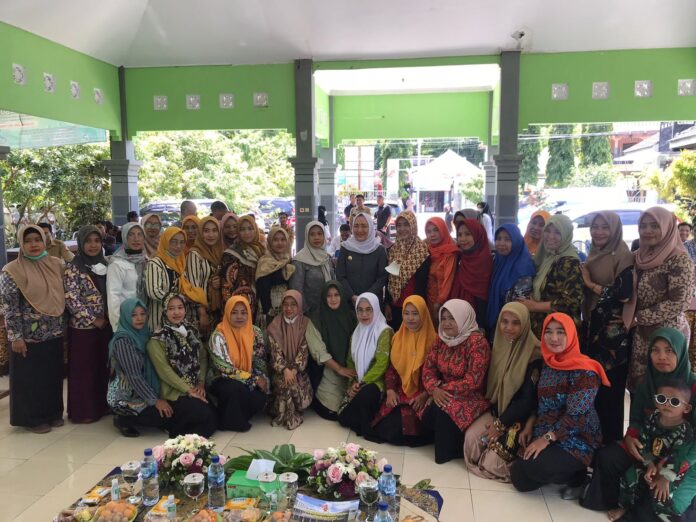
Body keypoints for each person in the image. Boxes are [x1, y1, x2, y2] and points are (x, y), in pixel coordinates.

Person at [582, 328, 696, 519]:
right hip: (649, 446)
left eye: (669, 350)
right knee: (608, 457)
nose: (661, 356)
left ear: (680, 351)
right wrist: (631, 437)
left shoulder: (693, 386)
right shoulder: (646, 382)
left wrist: (669, 470)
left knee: (663, 505)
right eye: (655, 350)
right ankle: (614, 501)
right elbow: (636, 418)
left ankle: (634, 509)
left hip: (683, 455)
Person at [510, 313, 609, 497]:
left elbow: (576, 416)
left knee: (533, 466)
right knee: (519, 479)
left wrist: (546, 439)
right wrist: (530, 424)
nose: (553, 338)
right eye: (548, 332)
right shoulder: (548, 363)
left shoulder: (586, 371)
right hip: (546, 429)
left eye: (560, 332)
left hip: (577, 437)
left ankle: (579, 477)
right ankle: (553, 469)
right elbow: (540, 402)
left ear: (571, 335)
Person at [464, 302, 541, 482]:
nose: (508, 328)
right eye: (504, 322)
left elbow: (526, 401)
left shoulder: (535, 353)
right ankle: (489, 451)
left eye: (515, 323)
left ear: (525, 324)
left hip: (520, 420)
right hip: (497, 410)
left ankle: (519, 466)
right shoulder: (498, 345)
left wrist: (500, 425)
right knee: (471, 442)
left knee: (491, 465)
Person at [0, 225, 65, 433]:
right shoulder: (12, 270)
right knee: (31, 379)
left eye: (37, 239)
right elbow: (9, 307)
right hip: (28, 336)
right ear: (21, 243)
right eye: (28, 241)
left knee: (52, 375)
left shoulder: (55, 264)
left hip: (54, 331)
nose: (34, 244)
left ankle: (53, 413)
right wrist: (16, 337)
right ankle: (32, 419)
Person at [624, 207, 695, 387]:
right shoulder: (638, 256)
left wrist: (638, 318)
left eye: (655, 226)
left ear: (667, 227)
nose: (647, 230)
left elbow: (680, 302)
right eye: (643, 226)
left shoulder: (679, 259)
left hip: (666, 336)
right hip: (639, 334)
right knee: (641, 388)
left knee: (664, 389)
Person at [579, 211, 634, 442]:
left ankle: (611, 446)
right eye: (595, 226)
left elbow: (624, 293)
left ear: (615, 230)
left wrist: (590, 284)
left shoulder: (623, 255)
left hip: (613, 337)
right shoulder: (595, 253)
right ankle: (593, 444)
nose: (598, 232)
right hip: (594, 330)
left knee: (610, 393)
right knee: (595, 391)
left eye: (605, 227)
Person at [610, 379, 693, 522]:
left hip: (671, 470)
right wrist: (649, 464)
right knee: (630, 475)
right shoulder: (652, 418)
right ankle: (626, 507)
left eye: (674, 402)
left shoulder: (686, 431)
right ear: (656, 401)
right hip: (650, 461)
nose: (667, 404)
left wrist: (665, 477)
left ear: (686, 408)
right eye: (662, 399)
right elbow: (643, 443)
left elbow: (678, 457)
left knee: (661, 492)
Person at [421, 299, 491, 463]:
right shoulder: (441, 339)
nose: (446, 323)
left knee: (443, 409)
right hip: (442, 391)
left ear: (463, 318)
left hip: (470, 395)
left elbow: (473, 381)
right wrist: (434, 389)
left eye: (452, 318)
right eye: (443, 318)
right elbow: (428, 368)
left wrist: (442, 389)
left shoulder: (477, 343)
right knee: (429, 412)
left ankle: (449, 451)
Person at [146, 294, 217, 437]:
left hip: (195, 386)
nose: (176, 312)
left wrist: (200, 383)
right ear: (165, 311)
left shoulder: (191, 331)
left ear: (185, 309)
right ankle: (172, 428)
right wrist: (189, 390)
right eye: (171, 308)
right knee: (203, 415)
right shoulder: (157, 339)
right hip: (174, 392)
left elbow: (202, 357)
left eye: (180, 307)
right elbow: (164, 372)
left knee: (214, 413)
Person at [370, 295, 437, 446]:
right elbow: (392, 368)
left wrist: (425, 394)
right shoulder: (398, 337)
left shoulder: (434, 341)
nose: (410, 318)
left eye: (415, 313)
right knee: (386, 427)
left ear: (423, 314)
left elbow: (438, 375)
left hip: (423, 392)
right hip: (401, 390)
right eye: (406, 313)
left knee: (406, 429)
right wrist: (390, 390)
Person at [64, 225, 111, 424]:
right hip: (83, 328)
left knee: (101, 368)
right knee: (84, 371)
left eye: (97, 241)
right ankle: (84, 411)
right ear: (81, 244)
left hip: (105, 325)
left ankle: (103, 406)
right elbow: (71, 298)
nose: (93, 245)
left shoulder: (105, 263)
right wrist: (93, 319)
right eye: (88, 241)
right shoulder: (73, 267)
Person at [208, 296, 269, 431]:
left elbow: (260, 361)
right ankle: (231, 422)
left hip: (248, 375)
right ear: (227, 313)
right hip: (221, 378)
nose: (239, 316)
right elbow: (224, 369)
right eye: (234, 312)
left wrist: (263, 379)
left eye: (243, 312)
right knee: (235, 389)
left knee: (260, 398)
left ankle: (235, 414)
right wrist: (253, 379)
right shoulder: (218, 335)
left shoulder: (255, 332)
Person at [108, 299, 167, 437]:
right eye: (133, 315)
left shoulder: (146, 334)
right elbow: (134, 377)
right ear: (125, 317)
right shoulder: (123, 341)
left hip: (144, 389)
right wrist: (155, 401)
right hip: (127, 396)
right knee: (160, 417)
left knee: (169, 413)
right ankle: (123, 418)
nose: (139, 318)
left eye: (142, 314)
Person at [518, 214, 584, 338]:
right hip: (543, 327)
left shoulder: (569, 262)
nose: (550, 236)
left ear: (566, 234)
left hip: (559, 333)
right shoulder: (549, 256)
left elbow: (570, 303)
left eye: (557, 232)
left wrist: (535, 306)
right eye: (547, 231)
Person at [337, 292, 393, 436]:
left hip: (378, 382)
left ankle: (367, 424)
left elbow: (382, 364)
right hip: (359, 381)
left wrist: (362, 383)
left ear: (376, 309)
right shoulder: (356, 333)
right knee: (343, 418)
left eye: (368, 310)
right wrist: (352, 384)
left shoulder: (384, 332)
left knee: (366, 394)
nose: (364, 314)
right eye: (360, 310)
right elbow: (351, 362)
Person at [308, 281, 358, 420]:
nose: (333, 299)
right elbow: (319, 352)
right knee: (332, 409)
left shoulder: (352, 317)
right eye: (329, 296)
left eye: (336, 295)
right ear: (324, 298)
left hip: (351, 368)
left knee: (355, 405)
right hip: (328, 369)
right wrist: (339, 369)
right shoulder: (315, 319)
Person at [145, 227, 207, 332]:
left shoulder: (181, 262)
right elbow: (154, 292)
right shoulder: (155, 263)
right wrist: (179, 299)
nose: (178, 246)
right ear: (166, 241)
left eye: (182, 242)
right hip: (160, 321)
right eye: (174, 242)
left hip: (179, 320)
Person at [267, 290, 314, 429]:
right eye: (285, 304)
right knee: (285, 384)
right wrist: (285, 370)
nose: (289, 308)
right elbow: (275, 353)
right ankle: (288, 416)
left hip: (299, 371)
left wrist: (293, 370)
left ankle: (289, 411)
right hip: (279, 371)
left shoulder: (306, 323)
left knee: (293, 385)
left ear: (299, 305)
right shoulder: (275, 325)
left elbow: (304, 352)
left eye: (293, 304)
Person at [486, 224, 536, 337]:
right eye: (498, 238)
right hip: (498, 324)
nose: (501, 243)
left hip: (512, 328)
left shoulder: (524, 266)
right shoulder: (497, 261)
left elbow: (521, 303)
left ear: (516, 241)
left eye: (507, 239)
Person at [384, 211, 430, 331]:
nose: (402, 229)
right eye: (399, 225)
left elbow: (422, 284)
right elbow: (389, 279)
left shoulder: (421, 250)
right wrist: (387, 303)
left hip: (413, 309)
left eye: (406, 224)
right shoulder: (394, 250)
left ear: (413, 225)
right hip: (395, 307)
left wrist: (415, 308)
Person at [336, 212, 388, 306]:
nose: (359, 230)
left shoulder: (379, 249)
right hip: (349, 303)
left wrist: (366, 297)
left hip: (372, 304)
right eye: (356, 226)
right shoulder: (346, 247)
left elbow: (382, 277)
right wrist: (352, 296)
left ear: (370, 227)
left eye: (364, 226)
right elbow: (340, 275)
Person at [450, 218, 493, 329]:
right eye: (459, 235)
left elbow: (482, 295)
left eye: (468, 234)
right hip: (458, 316)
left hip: (478, 320)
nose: (462, 239)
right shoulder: (461, 257)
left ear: (477, 235)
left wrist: (480, 327)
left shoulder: (485, 261)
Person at [220, 215, 265, 320]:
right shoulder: (231, 254)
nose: (247, 232)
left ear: (255, 229)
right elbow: (226, 286)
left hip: (260, 303)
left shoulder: (261, 250)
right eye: (242, 229)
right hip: (239, 307)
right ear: (238, 232)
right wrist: (230, 309)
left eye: (250, 228)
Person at [186, 216, 224, 338]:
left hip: (216, 310)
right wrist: (202, 313)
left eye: (214, 230)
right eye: (206, 231)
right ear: (200, 233)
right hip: (200, 312)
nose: (211, 235)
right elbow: (193, 287)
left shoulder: (220, 252)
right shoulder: (195, 254)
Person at [107, 222, 147, 327]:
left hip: (144, 320)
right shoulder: (117, 264)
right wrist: (117, 326)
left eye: (140, 234)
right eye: (131, 234)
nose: (136, 239)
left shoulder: (145, 261)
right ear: (124, 237)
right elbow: (113, 297)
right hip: (125, 321)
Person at [290, 221, 335, 316]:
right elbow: (297, 289)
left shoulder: (326, 258)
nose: (316, 237)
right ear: (307, 236)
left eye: (320, 234)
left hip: (329, 310)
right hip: (309, 314)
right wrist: (306, 312)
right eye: (312, 234)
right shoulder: (300, 260)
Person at [255, 226, 295, 325]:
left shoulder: (289, 260)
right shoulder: (264, 262)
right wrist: (269, 312)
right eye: (275, 240)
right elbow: (263, 289)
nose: (279, 243)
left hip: (288, 309)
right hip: (270, 311)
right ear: (269, 241)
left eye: (283, 239)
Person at [425, 217, 460, 324]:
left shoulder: (450, 252)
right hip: (429, 299)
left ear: (443, 230)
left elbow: (448, 280)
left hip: (443, 303)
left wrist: (439, 302)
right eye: (429, 231)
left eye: (436, 230)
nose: (432, 234)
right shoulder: (427, 250)